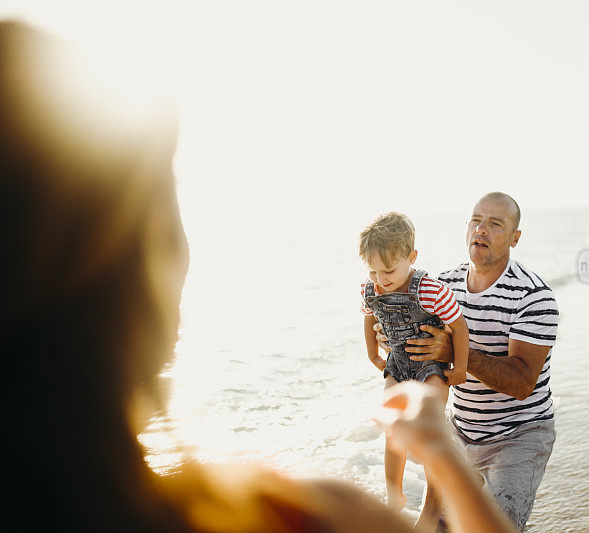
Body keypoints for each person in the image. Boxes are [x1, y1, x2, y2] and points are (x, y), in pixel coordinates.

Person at [0, 21, 517, 533]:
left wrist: (443, 366)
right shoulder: (285, 515)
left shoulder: (429, 287)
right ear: (147, 284)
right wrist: (447, 458)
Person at [376, 192, 559, 531]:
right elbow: (417, 346)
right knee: (442, 527)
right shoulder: (440, 286)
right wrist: (388, 336)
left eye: (495, 224)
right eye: (476, 220)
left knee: (496, 527)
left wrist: (454, 352)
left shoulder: (534, 296)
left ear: (515, 237)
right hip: (460, 428)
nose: (481, 230)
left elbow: (521, 384)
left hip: (519, 434)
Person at [358, 212, 469, 523]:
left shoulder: (429, 290)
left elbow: (459, 327)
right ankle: (395, 494)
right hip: (397, 366)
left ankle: (438, 494)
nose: (381, 279)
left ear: (412, 257)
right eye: (373, 271)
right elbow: (368, 318)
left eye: (389, 270)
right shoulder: (370, 289)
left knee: (430, 431)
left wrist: (459, 369)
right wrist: (372, 355)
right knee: (392, 426)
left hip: (430, 368)